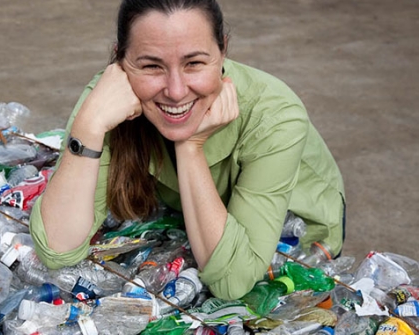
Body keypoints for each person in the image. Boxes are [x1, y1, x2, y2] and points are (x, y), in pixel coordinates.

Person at [29, 0, 345, 300]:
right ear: (120, 62)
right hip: (199, 221)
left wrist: (190, 147)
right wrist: (89, 126)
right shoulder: (108, 98)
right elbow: (57, 249)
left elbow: (234, 280)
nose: (176, 91)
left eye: (193, 63)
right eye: (152, 66)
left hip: (297, 245)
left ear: (223, 51)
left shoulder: (274, 113)